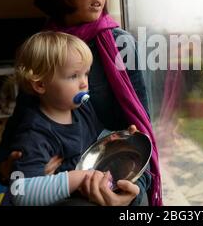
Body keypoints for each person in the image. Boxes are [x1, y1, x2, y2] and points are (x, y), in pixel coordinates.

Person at [0, 0, 162, 206]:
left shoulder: (120, 46)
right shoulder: (43, 50)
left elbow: (139, 135)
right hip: (48, 185)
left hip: (110, 184)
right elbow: (16, 135)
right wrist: (8, 168)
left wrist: (133, 194)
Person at [7, 31, 127, 206]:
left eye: (85, 74)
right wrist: (78, 178)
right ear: (41, 84)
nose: (84, 83)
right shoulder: (33, 133)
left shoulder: (82, 109)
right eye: (73, 76)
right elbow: (19, 193)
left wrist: (118, 138)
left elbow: (98, 136)